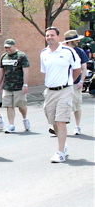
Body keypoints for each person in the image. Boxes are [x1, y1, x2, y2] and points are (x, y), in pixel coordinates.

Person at [40, 26, 81, 163]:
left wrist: (70, 83)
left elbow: (77, 69)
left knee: (60, 120)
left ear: (58, 37)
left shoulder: (68, 51)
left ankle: (60, 152)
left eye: (52, 35)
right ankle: (63, 145)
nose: (49, 37)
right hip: (50, 91)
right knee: (53, 122)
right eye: (47, 36)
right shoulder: (44, 53)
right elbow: (45, 71)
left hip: (65, 90)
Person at [0, 39, 31, 133]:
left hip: (19, 86)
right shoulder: (4, 57)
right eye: (6, 47)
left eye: (9, 47)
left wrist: (25, 84)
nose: (7, 49)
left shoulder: (21, 56)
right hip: (7, 86)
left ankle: (25, 118)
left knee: (21, 106)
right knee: (9, 105)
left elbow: (26, 70)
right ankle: (11, 125)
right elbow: (1, 71)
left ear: (14, 46)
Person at [63, 30, 89, 135]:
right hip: (63, 83)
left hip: (75, 83)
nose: (78, 41)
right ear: (70, 41)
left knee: (76, 105)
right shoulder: (62, 51)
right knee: (62, 105)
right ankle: (58, 127)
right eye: (76, 40)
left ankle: (77, 126)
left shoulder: (79, 51)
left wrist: (81, 81)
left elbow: (84, 68)